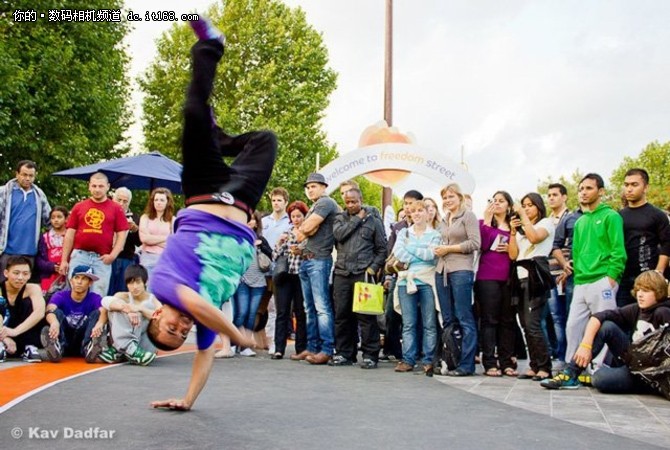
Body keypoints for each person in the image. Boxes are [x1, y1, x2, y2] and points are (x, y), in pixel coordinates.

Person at [146, 17, 277, 411]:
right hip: (240, 201)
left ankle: (210, 45)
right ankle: (215, 135)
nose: (183, 327)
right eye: (180, 334)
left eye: (172, 326)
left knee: (191, 111)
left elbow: (203, 309)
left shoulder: (165, 288)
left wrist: (235, 335)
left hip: (202, 190)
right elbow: (203, 357)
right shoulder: (199, 325)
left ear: (157, 313)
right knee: (265, 139)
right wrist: (187, 400)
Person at [542, 270, 670, 394]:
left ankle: (640, 385)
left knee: (600, 379)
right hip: (635, 364)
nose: (640, 295)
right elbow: (598, 317)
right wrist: (585, 346)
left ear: (658, 292)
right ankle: (571, 372)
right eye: (639, 290)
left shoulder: (663, 312)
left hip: (650, 373)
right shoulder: (637, 308)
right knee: (607, 326)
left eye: (646, 291)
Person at [565, 173, 626, 366]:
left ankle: (597, 367)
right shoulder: (580, 221)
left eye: (589, 188)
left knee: (602, 326)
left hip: (603, 279)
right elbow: (576, 252)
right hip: (581, 281)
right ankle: (572, 368)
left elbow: (618, 250)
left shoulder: (611, 216)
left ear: (601, 191)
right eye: (581, 188)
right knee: (573, 326)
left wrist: (612, 277)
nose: (583, 192)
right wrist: (577, 277)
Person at [331, 188, 387, 369]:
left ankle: (371, 355)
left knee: (366, 317)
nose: (351, 205)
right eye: (348, 202)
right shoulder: (339, 219)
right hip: (341, 273)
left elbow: (382, 249)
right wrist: (357, 219)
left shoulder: (374, 220)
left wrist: (372, 269)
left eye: (354, 201)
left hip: (363, 273)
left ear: (361, 200)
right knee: (342, 316)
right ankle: (344, 354)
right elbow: (339, 235)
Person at [434, 183, 481, 376]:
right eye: (445, 197)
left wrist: (449, 249)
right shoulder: (444, 220)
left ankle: (467, 364)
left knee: (464, 318)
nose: (447, 200)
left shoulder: (468, 216)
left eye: (451, 196)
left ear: (460, 198)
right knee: (447, 319)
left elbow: (475, 243)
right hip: (442, 270)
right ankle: (451, 359)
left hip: (461, 270)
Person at [508, 192, 555, 381]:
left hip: (536, 276)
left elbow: (535, 238)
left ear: (538, 206)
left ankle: (545, 366)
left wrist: (523, 216)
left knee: (533, 323)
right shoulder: (521, 230)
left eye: (530, 205)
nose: (526, 208)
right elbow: (513, 255)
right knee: (525, 324)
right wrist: (512, 232)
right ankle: (534, 365)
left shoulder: (546, 223)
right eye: (524, 205)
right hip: (519, 275)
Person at [59, 172, 129, 297]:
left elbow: (121, 235)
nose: (97, 189)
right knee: (74, 292)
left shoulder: (116, 208)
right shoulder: (79, 207)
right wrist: (64, 260)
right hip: (80, 255)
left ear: (108, 187)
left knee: (98, 294)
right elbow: (69, 235)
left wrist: (113, 255)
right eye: (94, 186)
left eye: (101, 186)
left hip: (102, 259)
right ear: (89, 186)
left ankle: (95, 317)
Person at [391, 200, 441, 375]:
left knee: (429, 323)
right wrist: (418, 251)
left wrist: (410, 247)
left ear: (428, 213)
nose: (417, 213)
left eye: (421, 210)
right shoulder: (404, 232)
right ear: (410, 214)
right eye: (414, 211)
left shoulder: (435, 234)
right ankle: (408, 359)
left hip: (427, 281)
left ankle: (428, 360)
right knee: (408, 323)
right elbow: (398, 253)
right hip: (406, 281)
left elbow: (431, 256)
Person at [294, 172, 339, 365]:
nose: (310, 189)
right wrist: (307, 230)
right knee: (309, 308)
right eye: (308, 187)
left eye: (313, 186)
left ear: (323, 187)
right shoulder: (316, 205)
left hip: (319, 260)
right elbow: (305, 232)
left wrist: (306, 228)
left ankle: (326, 349)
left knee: (322, 308)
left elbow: (306, 229)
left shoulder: (325, 203)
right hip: (307, 260)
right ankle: (312, 348)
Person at [475, 191, 516, 376]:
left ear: (509, 205)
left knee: (507, 320)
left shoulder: (515, 226)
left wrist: (510, 246)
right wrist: (486, 220)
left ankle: (507, 361)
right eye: (494, 201)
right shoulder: (483, 224)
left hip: (508, 276)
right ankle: (490, 362)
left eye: (501, 201)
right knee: (489, 320)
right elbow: (482, 245)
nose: (497, 204)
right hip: (487, 276)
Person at [617, 168, 670, 307]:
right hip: (623, 279)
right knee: (625, 320)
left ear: (646, 187)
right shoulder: (618, 216)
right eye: (626, 185)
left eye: (634, 185)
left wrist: (658, 272)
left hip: (649, 279)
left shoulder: (657, 215)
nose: (629, 189)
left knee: (651, 322)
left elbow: (667, 244)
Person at [381, 190, 423, 362]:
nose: (407, 207)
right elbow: (390, 252)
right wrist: (388, 277)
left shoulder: (425, 225)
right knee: (391, 313)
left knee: (416, 316)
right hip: (398, 275)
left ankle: (417, 350)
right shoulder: (397, 227)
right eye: (405, 203)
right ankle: (392, 349)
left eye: (411, 203)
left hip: (419, 275)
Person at [96, 264, 161, 365]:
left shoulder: (153, 300)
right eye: (130, 283)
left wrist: (140, 309)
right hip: (130, 344)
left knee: (145, 313)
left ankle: (121, 350)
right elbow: (105, 302)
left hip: (143, 344)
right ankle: (128, 350)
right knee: (115, 306)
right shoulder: (123, 296)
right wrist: (127, 310)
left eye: (138, 282)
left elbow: (161, 317)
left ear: (146, 282)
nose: (134, 287)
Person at [40, 265, 107, 362]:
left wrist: (100, 324)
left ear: (90, 283)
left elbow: (103, 311)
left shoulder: (94, 297)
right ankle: (57, 347)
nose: (79, 282)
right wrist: (54, 322)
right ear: (71, 281)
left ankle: (89, 347)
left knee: (97, 313)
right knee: (56, 312)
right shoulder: (60, 295)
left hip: (83, 337)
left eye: (84, 279)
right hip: (65, 336)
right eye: (77, 278)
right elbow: (50, 309)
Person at [0, 160, 52, 279]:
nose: (27, 178)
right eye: (24, 174)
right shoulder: (4, 192)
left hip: (30, 252)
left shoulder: (39, 195)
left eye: (31, 175)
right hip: (6, 251)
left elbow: (49, 220)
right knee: (4, 287)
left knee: (24, 289)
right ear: (17, 174)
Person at [231, 210, 272, 356]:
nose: (250, 221)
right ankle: (233, 342)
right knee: (241, 312)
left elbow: (271, 256)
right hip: (242, 279)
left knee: (252, 314)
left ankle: (244, 346)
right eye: (247, 219)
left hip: (259, 281)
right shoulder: (237, 238)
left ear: (256, 222)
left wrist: (261, 246)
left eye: (253, 219)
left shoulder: (261, 239)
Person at [274, 201, 308, 360]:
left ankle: (301, 348)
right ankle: (278, 348)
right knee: (282, 312)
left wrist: (301, 249)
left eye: (298, 216)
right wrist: (280, 242)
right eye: (293, 216)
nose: (296, 219)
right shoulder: (286, 232)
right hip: (285, 276)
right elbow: (275, 256)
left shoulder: (309, 232)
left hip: (301, 275)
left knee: (301, 313)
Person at [260, 187, 291, 355]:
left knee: (275, 307)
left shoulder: (290, 222)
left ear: (285, 202)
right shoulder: (264, 222)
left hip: (280, 268)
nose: (276, 203)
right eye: (274, 200)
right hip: (262, 267)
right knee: (259, 306)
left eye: (279, 200)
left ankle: (273, 341)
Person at [0, 256, 47, 362]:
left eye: (25, 274)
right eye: (16, 273)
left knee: (31, 304)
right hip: (4, 331)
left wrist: (14, 332)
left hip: (21, 332)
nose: (20, 277)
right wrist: (4, 337)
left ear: (30, 275)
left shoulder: (33, 288)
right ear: (6, 273)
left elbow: (39, 313)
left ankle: (29, 346)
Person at [545, 183, 571, 363]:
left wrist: (566, 268)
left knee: (568, 315)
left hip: (567, 273)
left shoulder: (571, 218)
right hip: (549, 274)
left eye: (555, 194)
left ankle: (565, 355)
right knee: (554, 317)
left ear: (564, 197)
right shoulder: (546, 221)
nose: (551, 198)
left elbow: (570, 247)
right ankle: (557, 352)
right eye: (549, 195)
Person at [108, 187, 142, 295]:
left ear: (129, 203)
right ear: (113, 199)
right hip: (107, 257)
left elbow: (139, 242)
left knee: (123, 290)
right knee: (106, 287)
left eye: (125, 201)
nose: (121, 203)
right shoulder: (106, 214)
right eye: (119, 200)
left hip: (126, 258)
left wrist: (135, 230)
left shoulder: (135, 217)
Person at [139, 187, 176, 283]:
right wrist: (166, 238)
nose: (158, 202)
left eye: (162, 200)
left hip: (165, 259)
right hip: (147, 258)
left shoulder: (173, 220)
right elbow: (144, 239)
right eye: (156, 200)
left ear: (167, 202)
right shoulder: (145, 217)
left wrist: (152, 240)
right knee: (147, 289)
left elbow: (173, 244)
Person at [36, 206, 68, 293]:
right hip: (49, 275)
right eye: (53, 218)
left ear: (66, 219)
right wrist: (51, 266)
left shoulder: (70, 236)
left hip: (67, 275)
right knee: (48, 298)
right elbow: (39, 259)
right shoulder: (45, 237)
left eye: (59, 217)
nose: (56, 220)